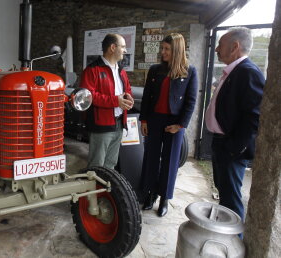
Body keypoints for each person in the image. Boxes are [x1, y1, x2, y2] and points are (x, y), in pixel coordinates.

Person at [205, 27, 265, 224]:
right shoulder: (234, 71)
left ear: (235, 47)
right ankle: (225, 238)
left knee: (231, 201)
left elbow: (255, 118)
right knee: (224, 196)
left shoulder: (248, 73)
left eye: (220, 45)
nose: (216, 50)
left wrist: (234, 149)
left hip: (230, 149)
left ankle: (233, 245)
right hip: (221, 144)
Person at [139, 33, 198, 217]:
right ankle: (150, 194)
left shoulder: (190, 71)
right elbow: (147, 96)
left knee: (170, 161)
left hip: (174, 123)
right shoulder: (155, 69)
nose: (162, 52)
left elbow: (191, 101)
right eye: (162, 48)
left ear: (177, 50)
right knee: (151, 158)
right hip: (154, 119)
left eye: (167, 49)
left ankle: (165, 197)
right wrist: (144, 120)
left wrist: (180, 125)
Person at [80, 33, 134, 169]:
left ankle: (105, 191)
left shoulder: (121, 71)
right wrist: (116, 101)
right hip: (101, 127)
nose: (125, 50)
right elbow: (88, 96)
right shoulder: (91, 70)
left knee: (110, 165)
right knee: (96, 167)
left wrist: (129, 99)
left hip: (119, 124)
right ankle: (94, 190)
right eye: (123, 47)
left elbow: (127, 90)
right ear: (112, 47)